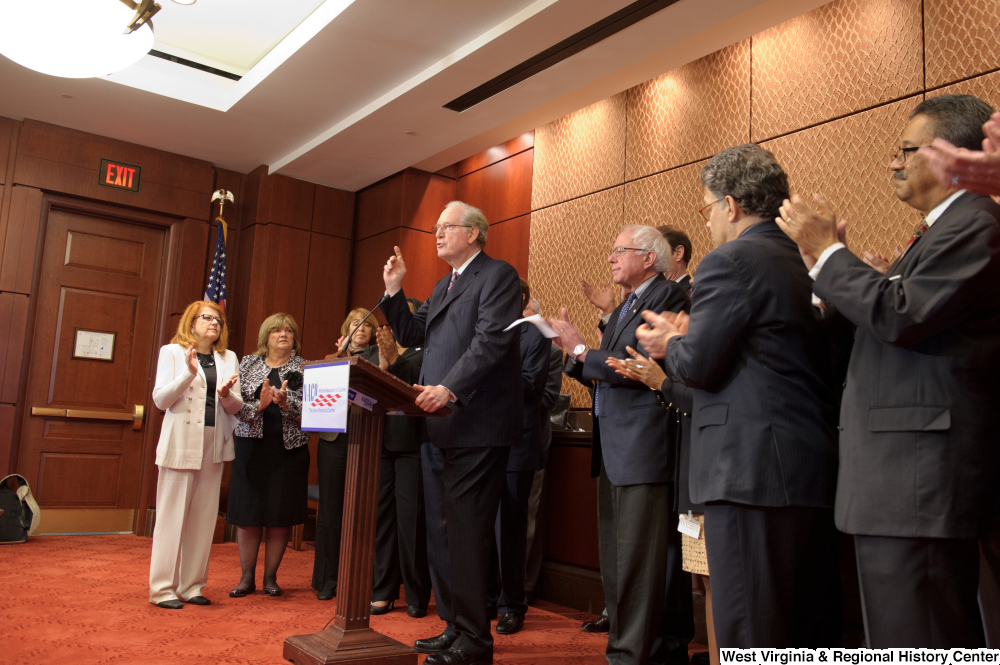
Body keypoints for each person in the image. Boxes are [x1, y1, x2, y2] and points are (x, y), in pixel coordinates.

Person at [777, 94, 1000, 648]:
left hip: (919, 482)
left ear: (952, 156)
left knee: (920, 640)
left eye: (905, 150)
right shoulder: (934, 231)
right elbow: (887, 326)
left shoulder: (975, 223)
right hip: (899, 480)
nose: (893, 163)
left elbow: (901, 316)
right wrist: (834, 275)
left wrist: (831, 254)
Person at [637, 144, 844, 647]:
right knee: (800, 630)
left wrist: (673, 343)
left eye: (707, 207)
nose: (707, 221)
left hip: (747, 474)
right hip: (805, 466)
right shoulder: (806, 259)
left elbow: (702, 368)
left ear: (729, 205)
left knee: (749, 630)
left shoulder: (728, 260)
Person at [382, 200, 522, 665]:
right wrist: (395, 289)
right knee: (444, 533)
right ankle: (456, 625)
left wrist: (450, 388)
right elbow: (411, 332)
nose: (438, 234)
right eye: (436, 228)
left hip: (477, 424)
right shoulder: (445, 284)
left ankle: (476, 642)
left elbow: (491, 342)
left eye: (448, 227)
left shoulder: (497, 276)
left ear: (475, 234)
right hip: (439, 427)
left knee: (468, 534)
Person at [549, 224, 690, 665]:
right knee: (622, 558)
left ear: (650, 258)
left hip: (644, 449)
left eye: (619, 250)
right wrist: (572, 355)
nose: (610, 257)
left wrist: (580, 352)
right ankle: (650, 650)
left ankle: (631, 655)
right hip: (617, 446)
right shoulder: (629, 303)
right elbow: (602, 372)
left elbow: (632, 364)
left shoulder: (666, 296)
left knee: (638, 562)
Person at [149, 301, 242, 609]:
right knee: (172, 516)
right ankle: (163, 589)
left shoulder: (228, 358)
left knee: (203, 519)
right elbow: (161, 401)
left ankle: (192, 586)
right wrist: (189, 374)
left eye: (218, 320)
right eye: (207, 317)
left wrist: (227, 395)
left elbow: (236, 407)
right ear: (191, 323)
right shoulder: (172, 352)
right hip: (181, 441)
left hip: (213, 442)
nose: (214, 323)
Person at [487, 280, 551, 635]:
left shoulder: (536, 334)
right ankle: (485, 596)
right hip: (483, 440)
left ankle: (513, 604)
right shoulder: (487, 332)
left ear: (521, 300)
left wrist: (486, 375)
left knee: (510, 528)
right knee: (482, 524)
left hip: (518, 443)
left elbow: (529, 383)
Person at [228, 313, 308, 598]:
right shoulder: (248, 363)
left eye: (288, 330)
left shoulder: (305, 367)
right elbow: (235, 405)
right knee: (248, 514)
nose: (283, 334)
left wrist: (287, 404)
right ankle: (246, 578)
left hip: (289, 451)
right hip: (251, 448)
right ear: (266, 337)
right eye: (276, 330)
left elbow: (315, 409)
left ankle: (270, 578)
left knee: (279, 515)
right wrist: (260, 407)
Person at [370, 297, 432, 617]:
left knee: (412, 523)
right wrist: (382, 363)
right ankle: (383, 589)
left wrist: (395, 359)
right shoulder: (380, 348)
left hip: (413, 445)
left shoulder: (425, 351)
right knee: (383, 520)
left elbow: (415, 386)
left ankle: (417, 593)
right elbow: (374, 388)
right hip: (381, 442)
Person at [312, 308, 380, 600]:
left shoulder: (381, 360)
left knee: (365, 511)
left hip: (368, 439)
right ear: (346, 330)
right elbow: (319, 397)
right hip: (334, 441)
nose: (360, 327)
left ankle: (362, 579)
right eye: (355, 323)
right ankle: (327, 579)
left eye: (366, 324)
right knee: (330, 511)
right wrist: (341, 357)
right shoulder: (331, 360)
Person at [523, 297, 564, 605]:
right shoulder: (499, 347)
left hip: (530, 443)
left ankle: (522, 590)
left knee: (526, 520)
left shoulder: (551, 352)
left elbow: (549, 398)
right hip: (496, 443)